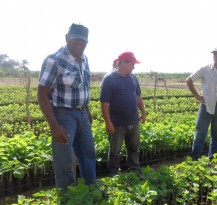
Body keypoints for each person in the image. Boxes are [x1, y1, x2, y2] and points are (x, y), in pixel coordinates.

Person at [38, 23, 96, 190]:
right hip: (63, 115)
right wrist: (54, 126)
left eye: (83, 42)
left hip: (82, 114)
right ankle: (67, 197)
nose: (80, 44)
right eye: (76, 40)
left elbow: (83, 87)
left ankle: (90, 190)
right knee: (63, 160)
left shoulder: (84, 59)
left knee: (88, 154)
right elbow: (42, 94)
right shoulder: (54, 60)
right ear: (67, 38)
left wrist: (87, 110)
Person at [100, 51, 146, 176]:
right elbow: (104, 102)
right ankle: (114, 173)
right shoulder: (109, 79)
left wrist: (143, 112)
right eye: (132, 64)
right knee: (115, 150)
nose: (134, 67)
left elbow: (138, 96)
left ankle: (135, 171)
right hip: (117, 123)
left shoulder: (133, 78)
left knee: (134, 148)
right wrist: (108, 122)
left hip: (134, 121)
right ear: (124, 63)